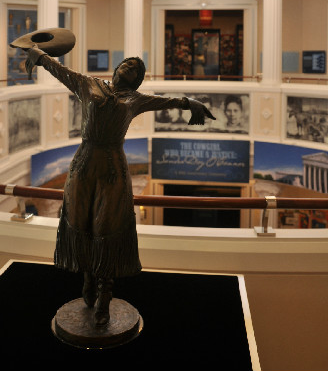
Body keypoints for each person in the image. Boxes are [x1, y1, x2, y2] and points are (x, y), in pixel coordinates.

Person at [25, 47, 215, 326]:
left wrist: (190, 103)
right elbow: (61, 71)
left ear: (137, 80)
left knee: (107, 227)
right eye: (126, 64)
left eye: (135, 70)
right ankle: (88, 276)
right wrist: (40, 56)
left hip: (113, 167)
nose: (129, 68)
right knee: (81, 220)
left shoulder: (136, 99)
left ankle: (104, 295)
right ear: (116, 69)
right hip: (84, 162)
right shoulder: (88, 83)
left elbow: (166, 101)